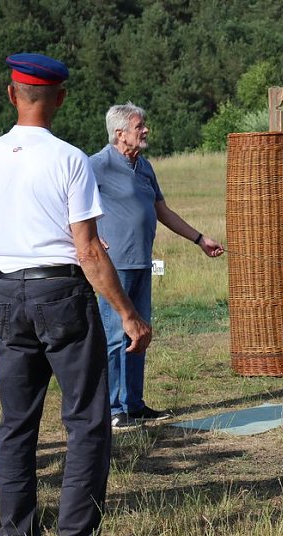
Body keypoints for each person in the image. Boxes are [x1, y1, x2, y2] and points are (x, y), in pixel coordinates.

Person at [0, 53, 151, 536]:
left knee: (17, 424)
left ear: (10, 94)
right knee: (86, 420)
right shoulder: (69, 159)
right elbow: (87, 249)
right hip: (60, 294)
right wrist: (128, 313)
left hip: (7, 293)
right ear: (60, 98)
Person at [89, 103, 223, 430]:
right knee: (116, 336)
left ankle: (134, 404)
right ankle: (113, 408)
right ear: (120, 133)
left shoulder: (145, 167)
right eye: (139, 126)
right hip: (112, 268)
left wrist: (199, 239)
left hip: (141, 265)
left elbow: (163, 211)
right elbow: (69, 206)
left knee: (141, 335)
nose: (145, 130)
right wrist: (87, 238)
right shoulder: (96, 165)